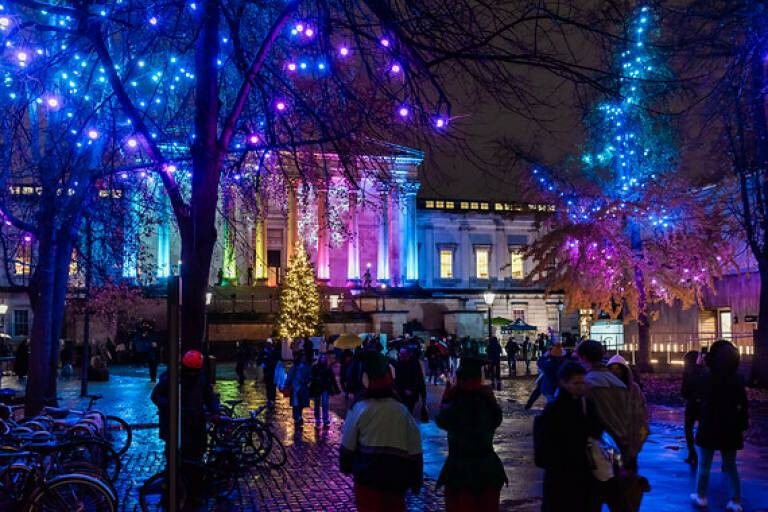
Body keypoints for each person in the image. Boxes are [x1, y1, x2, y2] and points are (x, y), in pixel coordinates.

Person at [340, 351, 423, 512]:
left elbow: (347, 443)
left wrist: (346, 464)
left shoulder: (359, 408)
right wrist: (416, 479)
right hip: (395, 478)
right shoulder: (401, 410)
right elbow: (415, 447)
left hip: (367, 477)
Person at [436, 355, 507, 511]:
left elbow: (440, 420)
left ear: (461, 381)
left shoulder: (455, 407)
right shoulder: (488, 405)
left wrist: (446, 399)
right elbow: (497, 419)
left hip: (460, 471)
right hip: (488, 469)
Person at [534, 361, 602, 512]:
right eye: (576, 383)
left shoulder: (587, 405)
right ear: (563, 382)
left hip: (578, 476)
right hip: (563, 477)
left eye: (583, 382)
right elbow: (542, 450)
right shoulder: (553, 410)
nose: (580, 386)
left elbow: (597, 431)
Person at [690, 340, 748, 512]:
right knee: (730, 465)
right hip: (731, 428)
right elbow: (743, 404)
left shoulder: (707, 378)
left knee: (705, 464)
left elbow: (695, 394)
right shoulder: (738, 379)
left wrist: (698, 368)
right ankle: (735, 500)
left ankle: (701, 496)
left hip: (709, 426)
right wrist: (742, 423)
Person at [151, 350, 220, 467]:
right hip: (176, 424)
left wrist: (215, 411)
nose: (192, 374)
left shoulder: (201, 379)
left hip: (195, 424)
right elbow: (156, 396)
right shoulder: (171, 378)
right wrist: (171, 406)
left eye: (195, 371)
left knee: (195, 456)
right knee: (175, 457)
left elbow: (209, 396)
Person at [607, 354, 649, 471]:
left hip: (630, 434)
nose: (616, 372)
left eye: (618, 369)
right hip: (612, 434)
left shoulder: (633, 388)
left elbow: (641, 408)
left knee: (629, 467)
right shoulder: (606, 387)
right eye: (612, 369)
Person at [681, 350, 703, 465]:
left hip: (691, 405)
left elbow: (683, 391)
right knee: (703, 429)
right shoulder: (704, 372)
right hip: (702, 405)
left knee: (688, 428)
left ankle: (692, 453)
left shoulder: (687, 373)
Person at [394, 347, 427, 416]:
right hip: (402, 392)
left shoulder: (415, 364)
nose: (401, 356)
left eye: (403, 354)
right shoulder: (398, 363)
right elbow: (397, 379)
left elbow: (419, 379)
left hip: (412, 392)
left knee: (409, 410)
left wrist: (422, 395)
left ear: (408, 355)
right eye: (400, 354)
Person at [310, 353, 340, 427]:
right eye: (322, 358)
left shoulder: (328, 368)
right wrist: (315, 380)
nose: (323, 359)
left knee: (325, 404)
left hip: (325, 388)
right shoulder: (315, 367)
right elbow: (311, 377)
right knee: (317, 404)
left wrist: (336, 388)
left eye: (324, 358)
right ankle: (317, 419)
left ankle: (325, 419)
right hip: (317, 388)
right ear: (319, 359)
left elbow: (332, 379)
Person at [284, 350, 312, 427]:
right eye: (303, 357)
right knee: (296, 404)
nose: (304, 358)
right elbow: (290, 376)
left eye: (305, 357)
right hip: (295, 388)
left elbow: (309, 376)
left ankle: (298, 416)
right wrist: (287, 384)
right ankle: (297, 417)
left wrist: (307, 381)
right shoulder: (295, 367)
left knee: (301, 403)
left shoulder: (307, 367)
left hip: (303, 388)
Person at [258, 338, 280, 408]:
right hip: (267, 372)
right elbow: (259, 361)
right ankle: (270, 399)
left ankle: (272, 399)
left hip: (273, 372)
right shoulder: (263, 352)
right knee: (268, 386)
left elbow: (278, 359)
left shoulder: (274, 352)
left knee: (272, 386)